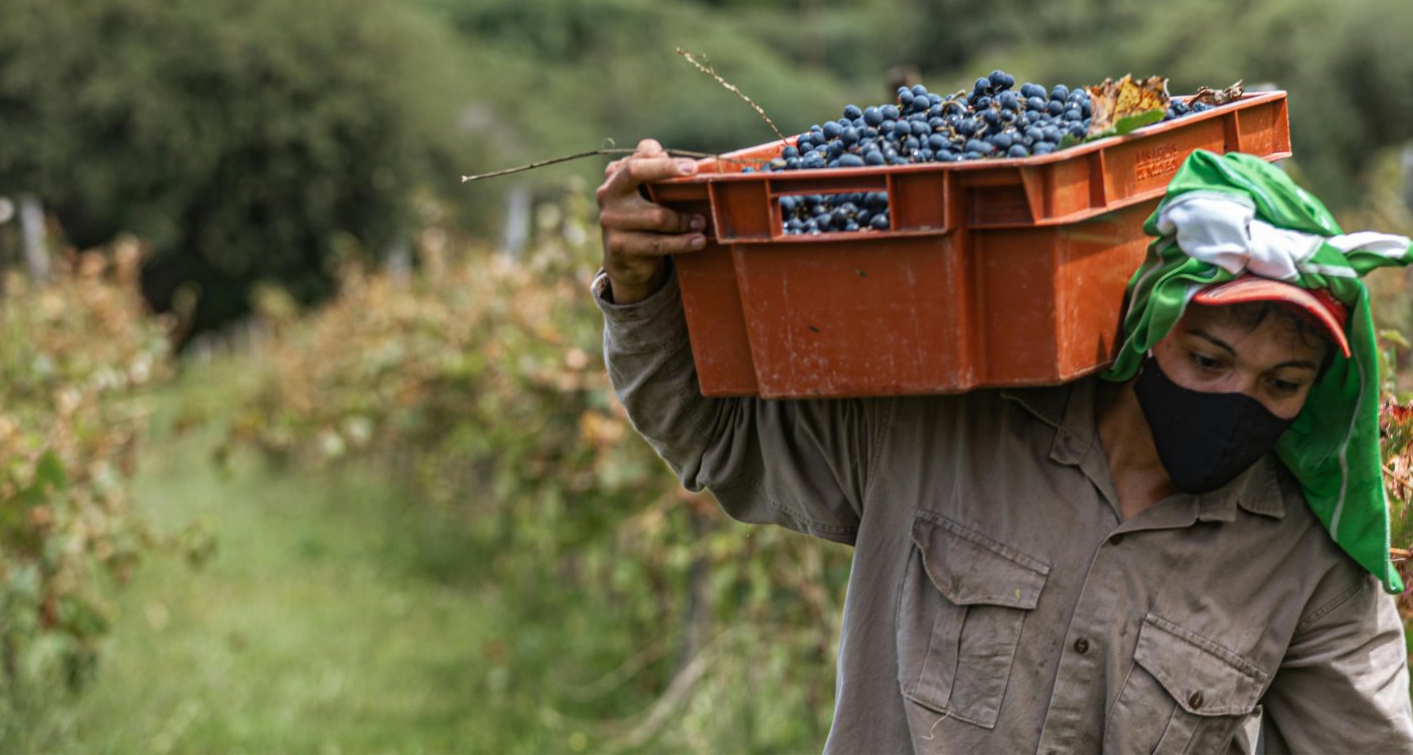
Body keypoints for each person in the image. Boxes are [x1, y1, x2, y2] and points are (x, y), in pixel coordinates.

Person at [592, 139, 1413, 753]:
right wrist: (641, 290)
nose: (1240, 403)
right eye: (1208, 362)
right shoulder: (945, 429)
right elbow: (715, 434)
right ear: (1147, 329)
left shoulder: (1309, 568)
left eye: (1282, 385)